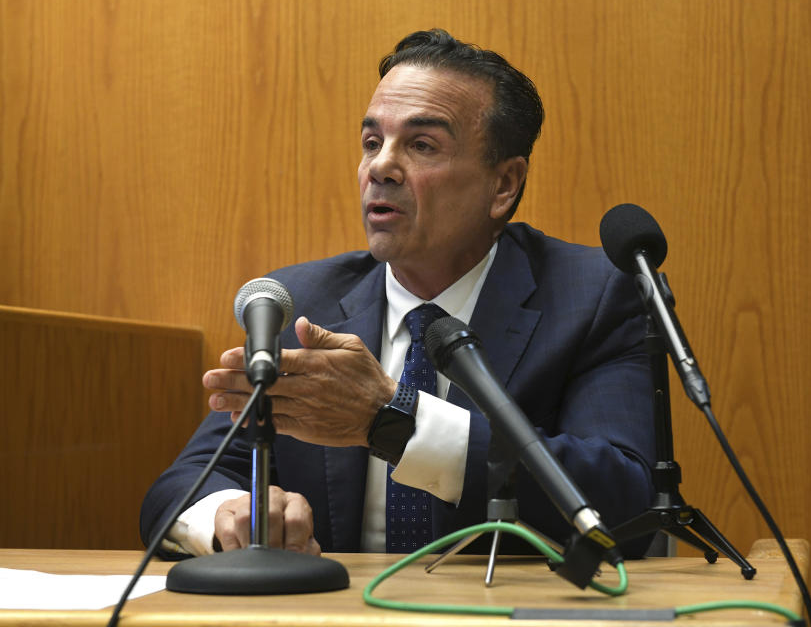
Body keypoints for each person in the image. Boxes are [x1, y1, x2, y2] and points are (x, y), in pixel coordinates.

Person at [140, 29, 656, 559]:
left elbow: (628, 499)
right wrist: (230, 513)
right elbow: (184, 485)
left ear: (503, 185)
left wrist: (393, 421)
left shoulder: (592, 295)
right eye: (371, 142)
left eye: (421, 145)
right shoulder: (300, 303)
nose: (380, 168)